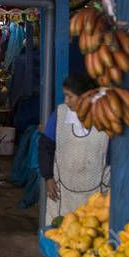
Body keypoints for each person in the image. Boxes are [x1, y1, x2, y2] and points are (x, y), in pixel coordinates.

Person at [39, 72, 110, 225]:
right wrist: (48, 177)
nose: (66, 101)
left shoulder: (105, 117)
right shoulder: (60, 113)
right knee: (60, 230)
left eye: (70, 96)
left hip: (97, 192)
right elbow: (46, 146)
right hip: (61, 191)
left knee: (92, 230)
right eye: (65, 96)